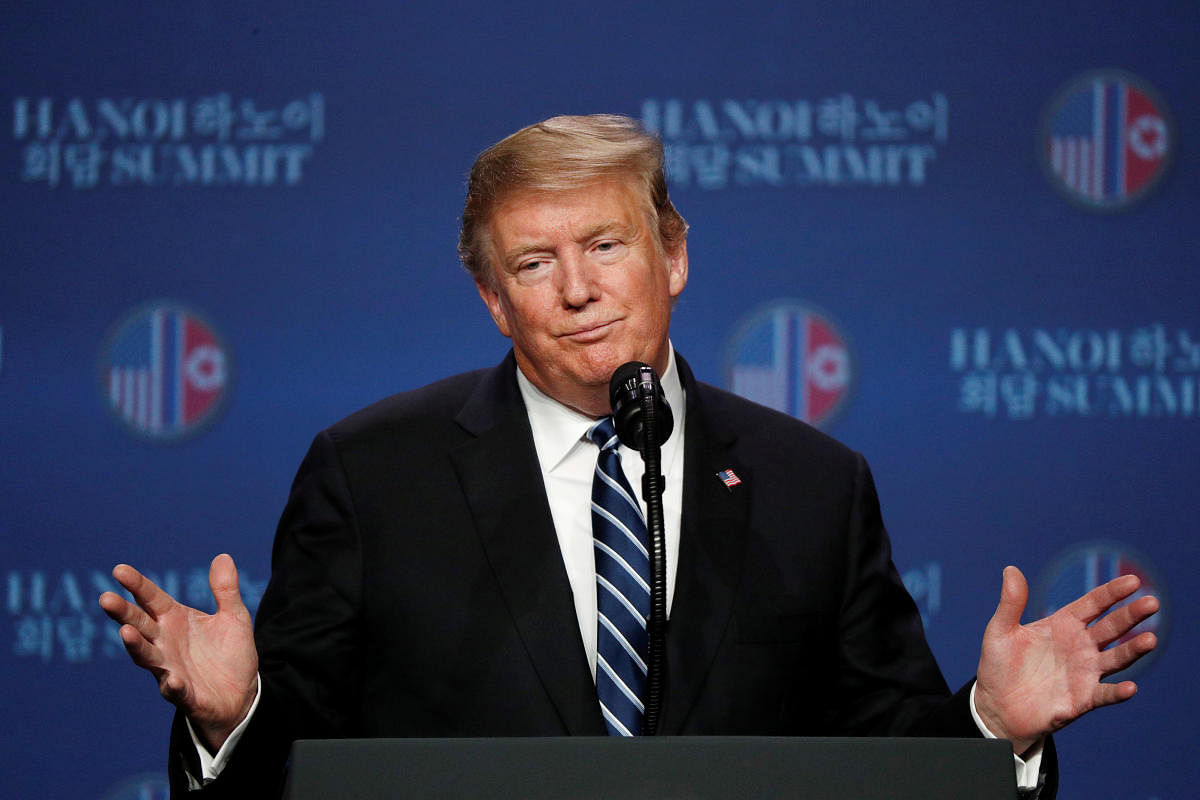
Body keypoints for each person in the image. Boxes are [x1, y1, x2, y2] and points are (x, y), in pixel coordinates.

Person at [99, 114, 1159, 798]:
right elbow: (295, 768)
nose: (578, 288)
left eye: (606, 245)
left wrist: (991, 725)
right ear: (493, 298)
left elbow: (890, 760)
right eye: (534, 261)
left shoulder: (811, 483)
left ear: (674, 254)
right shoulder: (374, 473)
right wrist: (231, 719)